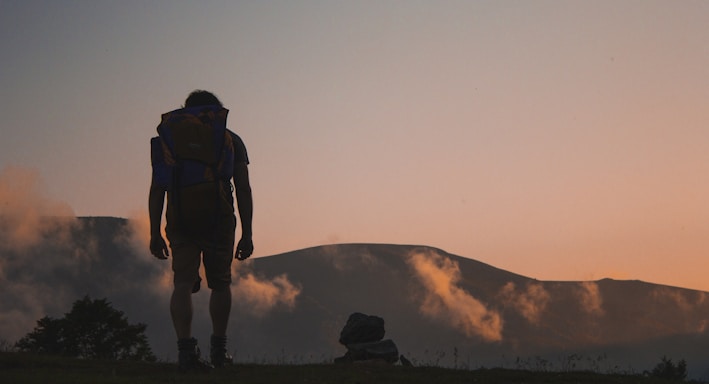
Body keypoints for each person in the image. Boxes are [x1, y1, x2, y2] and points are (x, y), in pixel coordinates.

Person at [149, 90, 254, 371]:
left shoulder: (170, 140)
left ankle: (186, 353)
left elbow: (158, 187)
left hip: (180, 214)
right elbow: (243, 188)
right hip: (217, 215)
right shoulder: (230, 140)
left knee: (182, 283)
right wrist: (247, 232)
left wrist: (154, 232)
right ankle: (219, 352)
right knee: (220, 283)